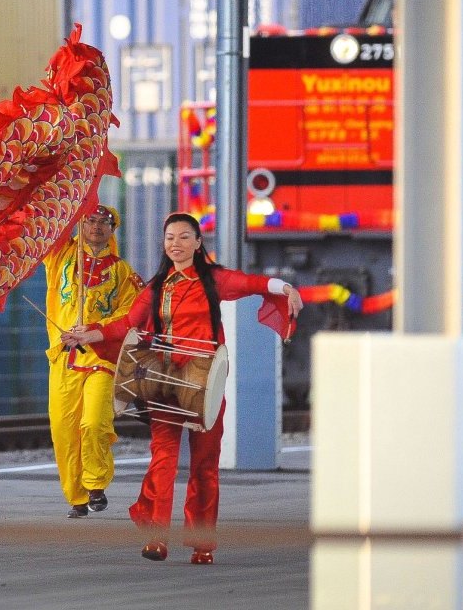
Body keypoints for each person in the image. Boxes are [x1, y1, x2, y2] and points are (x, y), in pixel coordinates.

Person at [62, 212, 303, 565]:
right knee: (164, 458)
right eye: (170, 237)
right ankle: (157, 537)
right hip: (164, 380)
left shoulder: (214, 280)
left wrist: (286, 288)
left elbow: (252, 283)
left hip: (204, 382)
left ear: (197, 242)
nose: (176, 244)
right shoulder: (156, 287)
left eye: (184, 237)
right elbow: (127, 324)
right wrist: (90, 332)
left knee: (205, 464)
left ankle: (202, 543)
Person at [42, 204, 141, 518]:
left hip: (102, 357)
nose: (97, 227)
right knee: (64, 430)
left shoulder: (122, 271)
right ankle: (78, 497)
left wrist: (96, 330)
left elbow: (130, 315)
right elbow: (53, 228)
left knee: (95, 422)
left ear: (113, 230)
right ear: (80, 225)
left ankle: (96, 482)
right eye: (91, 221)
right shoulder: (60, 259)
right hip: (64, 359)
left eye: (104, 223)